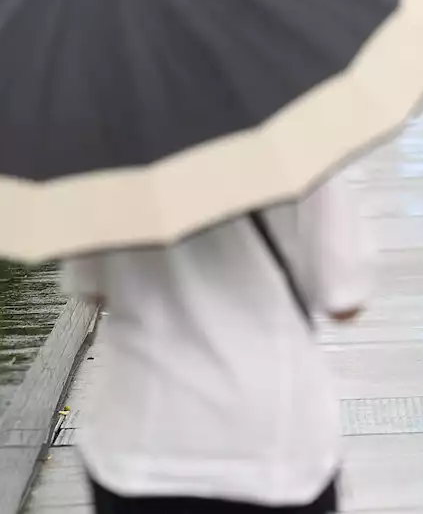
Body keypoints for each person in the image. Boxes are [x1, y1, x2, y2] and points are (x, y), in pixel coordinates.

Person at [60, 171, 372, 514]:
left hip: (140, 445)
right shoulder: (299, 144)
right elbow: (344, 300)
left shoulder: (102, 159)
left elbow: (93, 288)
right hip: (273, 442)